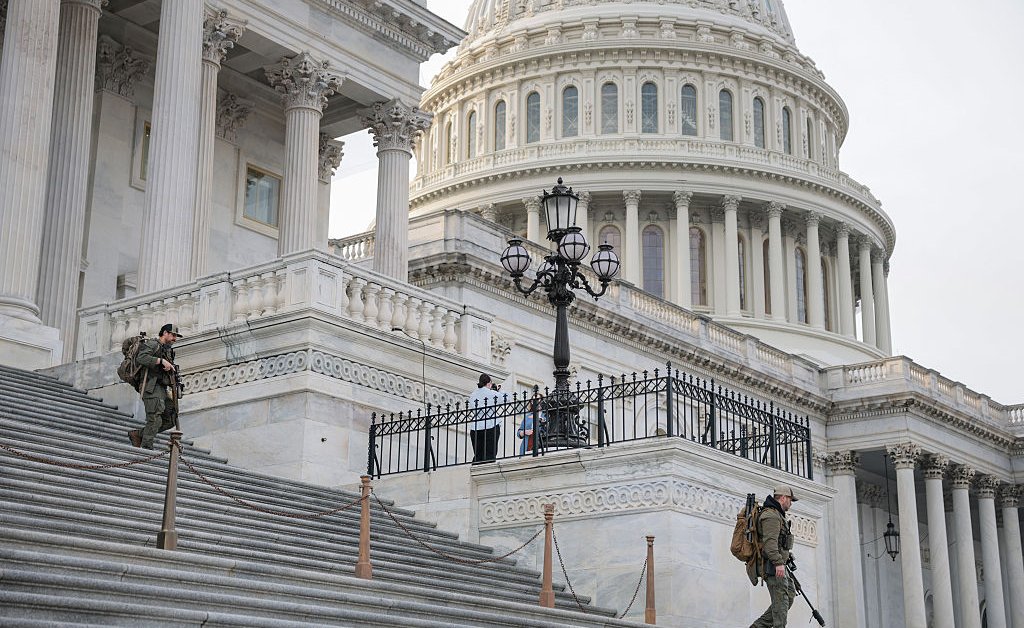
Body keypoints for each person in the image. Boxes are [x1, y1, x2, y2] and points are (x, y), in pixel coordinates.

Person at [749, 485, 798, 628]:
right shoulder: (771, 516)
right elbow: (769, 545)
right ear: (783, 498)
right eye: (790, 500)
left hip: (778, 565)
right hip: (772, 566)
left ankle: (758, 627)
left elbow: (778, 543)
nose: (791, 503)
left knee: (789, 595)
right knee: (780, 603)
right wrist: (778, 563)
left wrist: (786, 556)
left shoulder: (777, 514)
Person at [128, 323, 182, 449]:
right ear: (165, 333)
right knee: (155, 418)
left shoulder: (167, 349)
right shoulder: (153, 344)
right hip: (151, 387)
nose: (175, 339)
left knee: (171, 418)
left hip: (162, 388)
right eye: (173, 335)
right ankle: (146, 448)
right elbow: (141, 358)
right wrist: (161, 361)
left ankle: (138, 434)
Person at [468, 373, 501, 463]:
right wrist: (497, 391)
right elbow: (506, 398)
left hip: (476, 427)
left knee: (478, 455)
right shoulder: (492, 393)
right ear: (489, 383)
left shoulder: (473, 394)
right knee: (490, 454)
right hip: (490, 426)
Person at [518, 390, 544, 456]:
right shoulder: (528, 416)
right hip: (527, 443)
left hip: (541, 442)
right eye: (533, 400)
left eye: (538, 399)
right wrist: (524, 432)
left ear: (542, 401)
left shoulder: (546, 414)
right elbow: (519, 432)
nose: (535, 401)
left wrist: (541, 420)